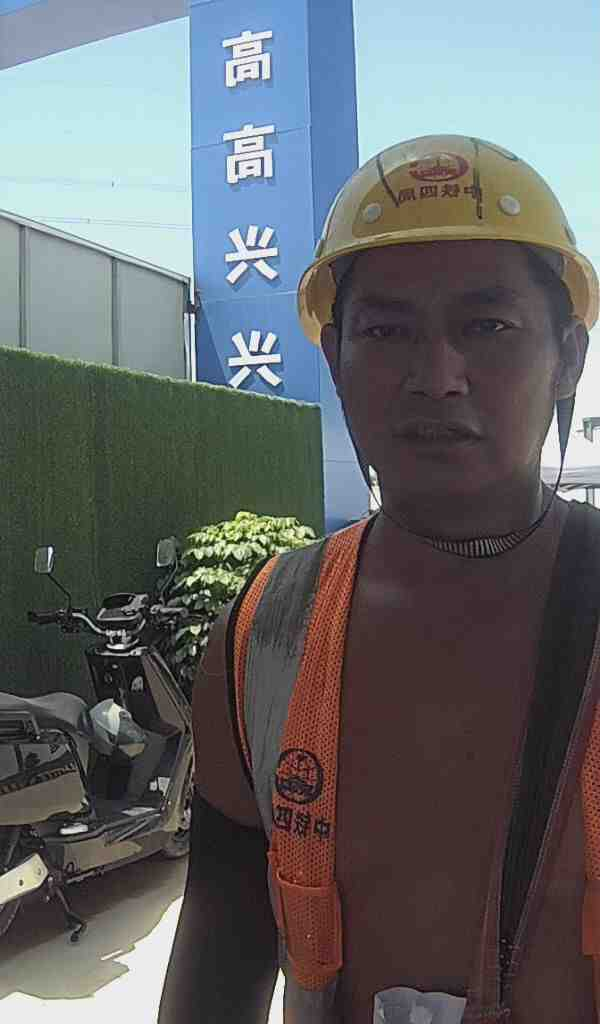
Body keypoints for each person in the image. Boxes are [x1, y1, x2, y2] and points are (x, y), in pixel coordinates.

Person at [158, 135, 600, 1023]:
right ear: (335, 359)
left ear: (566, 358)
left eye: (487, 327)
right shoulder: (267, 634)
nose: (437, 378)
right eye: (387, 331)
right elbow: (219, 951)